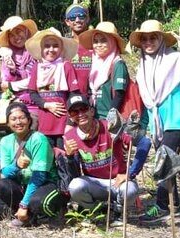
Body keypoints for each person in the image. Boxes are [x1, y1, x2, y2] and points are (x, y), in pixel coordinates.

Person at [129, 20, 180, 223]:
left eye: (153, 37)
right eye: (144, 39)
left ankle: (162, 206)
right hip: (157, 122)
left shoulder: (175, 58)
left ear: (161, 39)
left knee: (163, 160)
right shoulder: (143, 66)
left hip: (176, 118)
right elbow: (147, 99)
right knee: (167, 162)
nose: (148, 42)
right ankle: (174, 204)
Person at [63, 94, 150, 224]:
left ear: (92, 111)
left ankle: (119, 211)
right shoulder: (70, 136)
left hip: (118, 181)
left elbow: (145, 143)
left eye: (84, 109)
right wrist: (69, 157)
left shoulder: (111, 127)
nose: (80, 114)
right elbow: (74, 176)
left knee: (130, 190)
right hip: (95, 184)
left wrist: (130, 173)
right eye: (75, 111)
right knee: (75, 186)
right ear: (70, 117)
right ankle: (96, 211)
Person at [0, 102, 67, 227]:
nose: (18, 122)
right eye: (13, 119)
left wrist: (24, 204)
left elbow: (39, 176)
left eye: (22, 118)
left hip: (46, 182)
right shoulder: (5, 141)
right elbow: (4, 173)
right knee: (2, 185)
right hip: (24, 183)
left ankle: (51, 212)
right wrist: (17, 165)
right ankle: (28, 216)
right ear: (8, 123)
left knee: (38, 202)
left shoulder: (38, 139)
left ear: (29, 120)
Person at [25, 28, 80, 148]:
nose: (51, 49)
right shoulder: (36, 67)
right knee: (47, 158)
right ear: (41, 49)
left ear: (61, 49)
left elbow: (74, 95)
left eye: (55, 46)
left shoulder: (66, 66)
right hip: (44, 123)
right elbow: (33, 93)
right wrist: (47, 105)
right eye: (47, 46)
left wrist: (71, 121)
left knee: (64, 158)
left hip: (63, 123)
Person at [77, 22, 135, 121]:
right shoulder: (94, 64)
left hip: (107, 118)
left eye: (103, 41)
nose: (98, 45)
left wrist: (110, 118)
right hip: (93, 117)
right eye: (95, 41)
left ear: (112, 42)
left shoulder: (118, 64)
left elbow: (119, 95)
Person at [0, 16, 38, 105]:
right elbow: (4, 84)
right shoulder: (7, 56)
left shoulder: (37, 52)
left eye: (19, 32)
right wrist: (13, 70)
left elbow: (38, 80)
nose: (16, 37)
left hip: (37, 100)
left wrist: (12, 85)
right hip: (15, 101)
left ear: (26, 31)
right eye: (11, 35)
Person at [64, 4, 92, 93]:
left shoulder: (95, 44)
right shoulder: (63, 46)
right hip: (70, 98)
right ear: (67, 22)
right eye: (72, 17)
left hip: (93, 97)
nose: (77, 20)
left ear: (87, 19)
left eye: (81, 16)